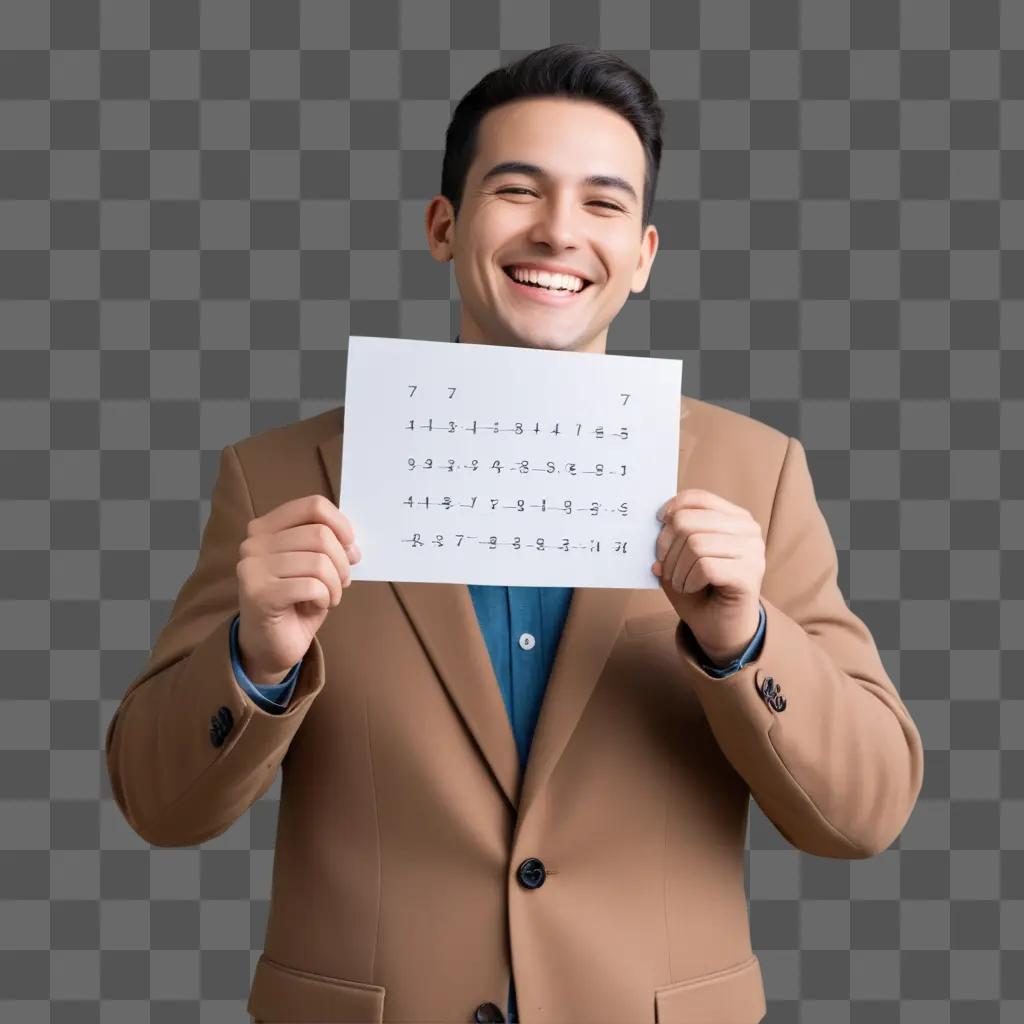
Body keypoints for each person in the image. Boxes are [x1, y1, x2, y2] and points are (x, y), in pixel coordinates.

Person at [105, 44, 924, 1024]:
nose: (558, 232)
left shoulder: (758, 473)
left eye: (603, 203)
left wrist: (743, 641)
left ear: (643, 255)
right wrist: (255, 659)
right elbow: (158, 806)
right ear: (444, 225)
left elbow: (866, 814)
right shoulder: (278, 477)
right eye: (518, 190)